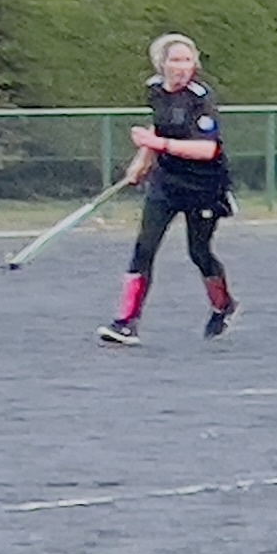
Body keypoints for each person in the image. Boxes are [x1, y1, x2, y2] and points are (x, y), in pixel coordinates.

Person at [97, 34, 235, 347]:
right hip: (167, 182)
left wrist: (156, 145)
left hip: (204, 186)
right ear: (162, 63)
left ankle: (223, 305)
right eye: (175, 60)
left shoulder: (201, 98)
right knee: (143, 249)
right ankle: (126, 323)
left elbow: (207, 149)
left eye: (187, 60)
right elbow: (159, 127)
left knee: (199, 253)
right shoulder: (155, 90)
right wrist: (141, 161)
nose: (182, 67)